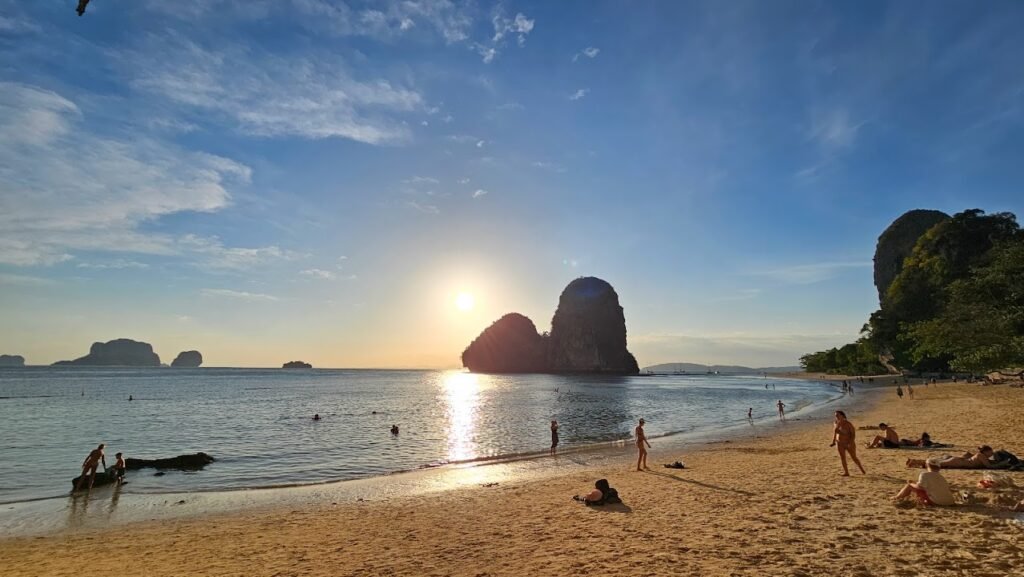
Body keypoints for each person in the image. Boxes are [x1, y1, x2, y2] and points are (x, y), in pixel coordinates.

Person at [830, 411, 866, 476]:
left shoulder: (848, 423)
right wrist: (833, 441)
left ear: (842, 415)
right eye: (835, 415)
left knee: (854, 457)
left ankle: (862, 470)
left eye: (838, 415)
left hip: (848, 442)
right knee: (842, 457)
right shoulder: (836, 423)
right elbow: (835, 432)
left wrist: (850, 442)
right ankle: (846, 472)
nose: (836, 417)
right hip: (839, 442)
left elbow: (853, 434)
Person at [906, 446, 994, 469]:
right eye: (991, 452)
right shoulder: (981, 456)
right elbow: (989, 466)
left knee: (936, 462)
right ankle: (914, 462)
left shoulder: (979, 455)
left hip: (958, 461)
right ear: (986, 451)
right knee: (935, 464)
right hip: (958, 462)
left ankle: (914, 461)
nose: (992, 454)